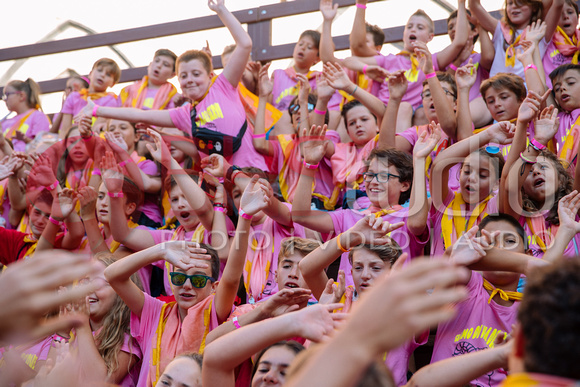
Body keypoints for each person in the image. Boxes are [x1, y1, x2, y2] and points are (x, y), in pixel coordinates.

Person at [85, 0, 255, 168]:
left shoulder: (223, 87)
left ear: (211, 75)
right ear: (178, 82)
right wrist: (96, 110)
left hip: (249, 171)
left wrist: (221, 10)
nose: (189, 80)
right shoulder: (185, 114)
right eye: (183, 76)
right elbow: (140, 115)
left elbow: (245, 44)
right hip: (218, 182)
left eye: (196, 74)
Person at [293, 131, 430, 286]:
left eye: (383, 176)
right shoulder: (348, 215)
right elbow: (301, 216)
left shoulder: (407, 217)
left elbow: (418, 224)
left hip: (395, 303)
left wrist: (419, 160)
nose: (374, 182)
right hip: (350, 304)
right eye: (370, 175)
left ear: (405, 185)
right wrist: (309, 165)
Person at [468, 0, 560, 79]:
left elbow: (558, 4)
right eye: (510, 3)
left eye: (520, 2)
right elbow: (474, 6)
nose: (514, 6)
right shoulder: (500, 30)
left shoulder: (539, 31)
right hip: (497, 91)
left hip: (526, 93)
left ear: (534, 6)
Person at [59, 58, 121, 137]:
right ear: (90, 74)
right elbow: (65, 129)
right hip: (70, 141)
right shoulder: (73, 97)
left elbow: (95, 129)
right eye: (99, 70)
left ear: (113, 83)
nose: (102, 75)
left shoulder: (111, 101)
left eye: (108, 75)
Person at [1, 78, 50, 152]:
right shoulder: (4, 122)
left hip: (26, 161)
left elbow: (41, 147)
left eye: (7, 94)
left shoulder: (37, 117)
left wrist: (25, 139)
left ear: (21, 95)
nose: (4, 99)